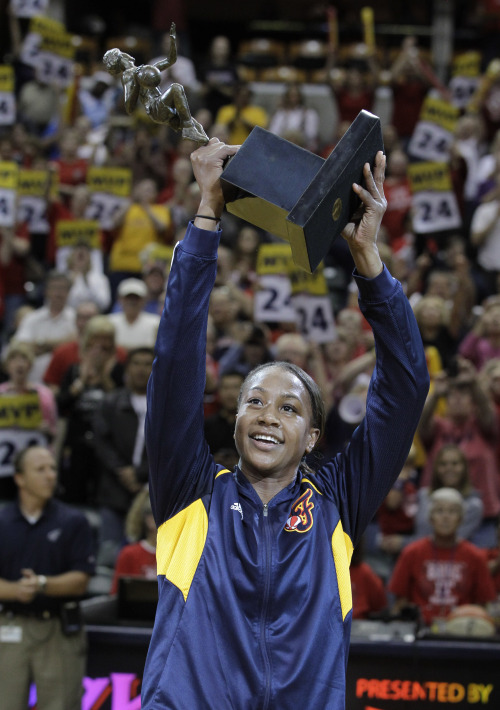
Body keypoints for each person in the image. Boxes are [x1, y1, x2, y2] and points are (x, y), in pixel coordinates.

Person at [141, 138, 429, 708]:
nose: (268, 415)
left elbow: (405, 387)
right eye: (255, 402)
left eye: (290, 408)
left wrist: (368, 261)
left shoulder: (338, 502)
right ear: (235, 418)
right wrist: (206, 217)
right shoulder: (189, 495)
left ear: (313, 438)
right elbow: (174, 360)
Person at [0, 445, 95, 710]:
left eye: (52, 468)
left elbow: (81, 580)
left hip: (58, 628)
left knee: (61, 705)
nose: (50, 475)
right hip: (9, 626)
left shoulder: (74, 521)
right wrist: (15, 591)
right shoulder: (2, 521)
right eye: (40, 469)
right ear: (19, 478)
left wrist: (42, 584)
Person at [388, 488, 496, 627]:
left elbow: (483, 604)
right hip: (420, 629)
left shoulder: (476, 556)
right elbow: (399, 602)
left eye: (452, 512)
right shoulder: (411, 552)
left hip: (462, 630)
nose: (446, 517)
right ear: (430, 517)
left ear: (461, 519)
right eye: (440, 511)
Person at [103, 23, 208, 144]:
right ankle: (188, 130)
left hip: (164, 104)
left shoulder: (145, 69)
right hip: (154, 108)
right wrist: (137, 84)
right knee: (176, 88)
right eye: (121, 55)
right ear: (119, 60)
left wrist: (173, 41)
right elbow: (129, 108)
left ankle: (198, 138)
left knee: (199, 128)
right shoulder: (128, 75)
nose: (126, 56)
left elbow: (171, 60)